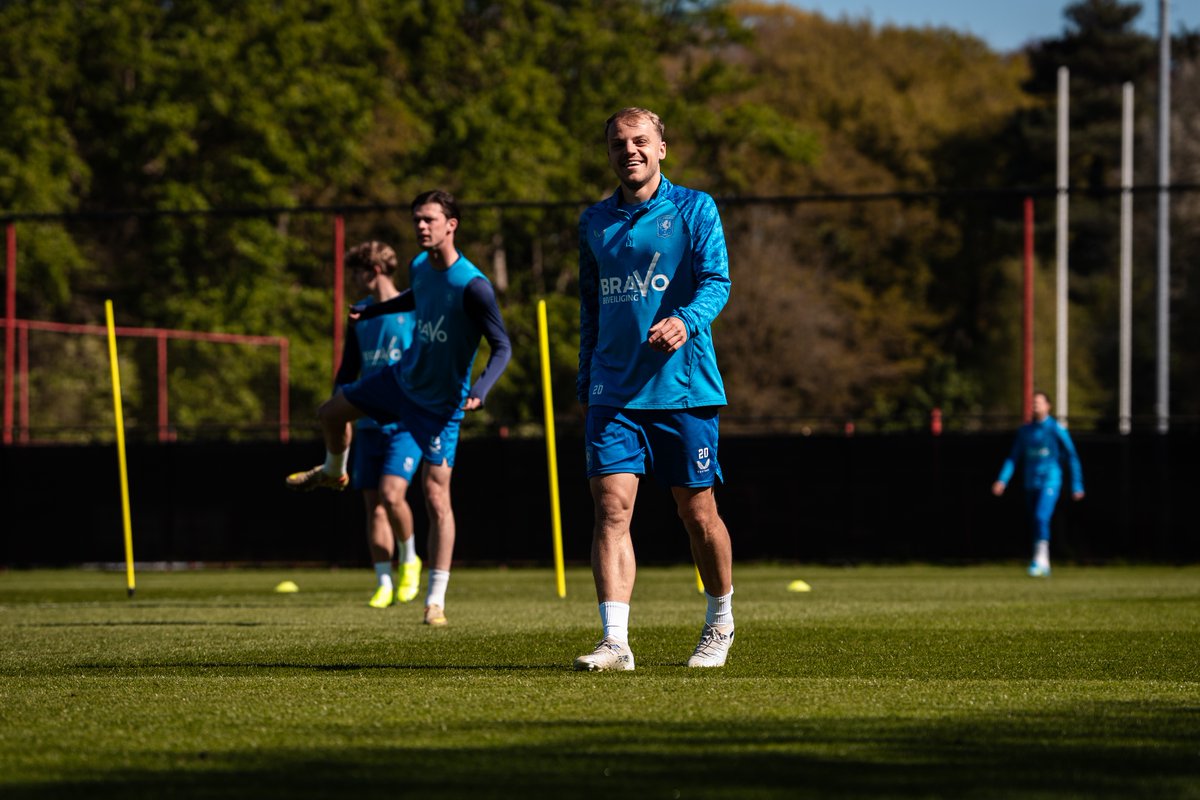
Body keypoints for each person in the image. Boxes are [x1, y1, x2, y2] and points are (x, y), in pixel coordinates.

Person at [287, 190, 512, 626]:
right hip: (401, 383)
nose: (421, 227)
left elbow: (501, 345)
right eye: (416, 221)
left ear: (452, 224)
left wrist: (482, 389)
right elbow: (416, 298)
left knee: (435, 496)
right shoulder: (417, 267)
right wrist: (374, 312)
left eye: (429, 219)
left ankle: (435, 601)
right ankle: (334, 470)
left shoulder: (474, 285)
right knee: (330, 413)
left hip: (440, 407)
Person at [574, 107, 735, 671]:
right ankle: (615, 641)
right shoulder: (593, 221)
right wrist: (584, 377)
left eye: (640, 141)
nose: (630, 151)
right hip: (612, 392)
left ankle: (720, 621)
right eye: (618, 143)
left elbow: (718, 281)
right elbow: (590, 308)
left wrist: (686, 320)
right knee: (611, 510)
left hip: (683, 389)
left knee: (696, 512)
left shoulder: (695, 208)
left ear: (662, 147)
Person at [331, 241, 424, 609]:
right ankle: (384, 581)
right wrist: (340, 413)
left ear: (374, 270)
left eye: (357, 271)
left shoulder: (411, 306)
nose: (354, 279)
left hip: (404, 421)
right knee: (374, 506)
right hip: (367, 423)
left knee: (391, 494)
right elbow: (346, 369)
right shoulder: (359, 314)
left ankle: (411, 558)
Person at [991, 390, 1085, 577]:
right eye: (1033, 403)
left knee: (1042, 516)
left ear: (1048, 406)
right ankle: (1043, 561)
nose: (1035, 406)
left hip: (1051, 480)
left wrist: (1077, 484)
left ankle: (1040, 559)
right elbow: (1013, 457)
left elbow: (1072, 456)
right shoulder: (1025, 431)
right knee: (1036, 519)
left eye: (1039, 402)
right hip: (1030, 482)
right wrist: (1002, 480)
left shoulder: (1056, 429)